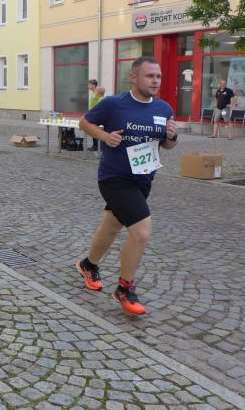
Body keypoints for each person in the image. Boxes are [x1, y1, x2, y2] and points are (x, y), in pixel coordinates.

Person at [77, 57, 178, 316]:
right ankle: (124, 288)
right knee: (141, 232)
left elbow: (167, 145)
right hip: (115, 178)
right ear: (133, 77)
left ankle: (88, 265)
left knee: (111, 226)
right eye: (149, 76)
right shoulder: (114, 103)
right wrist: (104, 136)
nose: (155, 81)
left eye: (158, 76)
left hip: (143, 179)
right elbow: (84, 122)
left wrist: (172, 136)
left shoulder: (164, 108)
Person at [87, 82, 104, 151]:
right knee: (93, 130)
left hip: (95, 115)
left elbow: (100, 102)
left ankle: (96, 146)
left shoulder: (97, 93)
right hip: (92, 114)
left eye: (89, 85)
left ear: (94, 85)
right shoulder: (93, 93)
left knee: (94, 130)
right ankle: (96, 145)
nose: (88, 86)